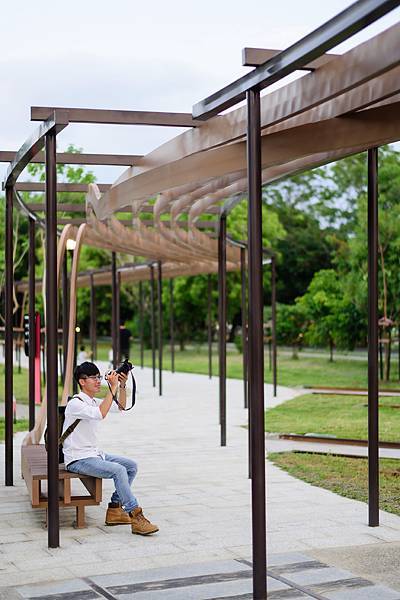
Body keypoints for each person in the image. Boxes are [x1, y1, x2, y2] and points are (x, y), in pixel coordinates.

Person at [62, 361, 158, 535]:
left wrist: (121, 385)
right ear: (82, 381)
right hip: (78, 459)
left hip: (95, 455)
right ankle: (136, 516)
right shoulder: (76, 404)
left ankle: (115, 509)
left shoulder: (92, 401)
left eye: (99, 377)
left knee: (130, 466)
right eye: (94, 378)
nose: (99, 381)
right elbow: (101, 414)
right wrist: (111, 388)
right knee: (119, 470)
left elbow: (120, 407)